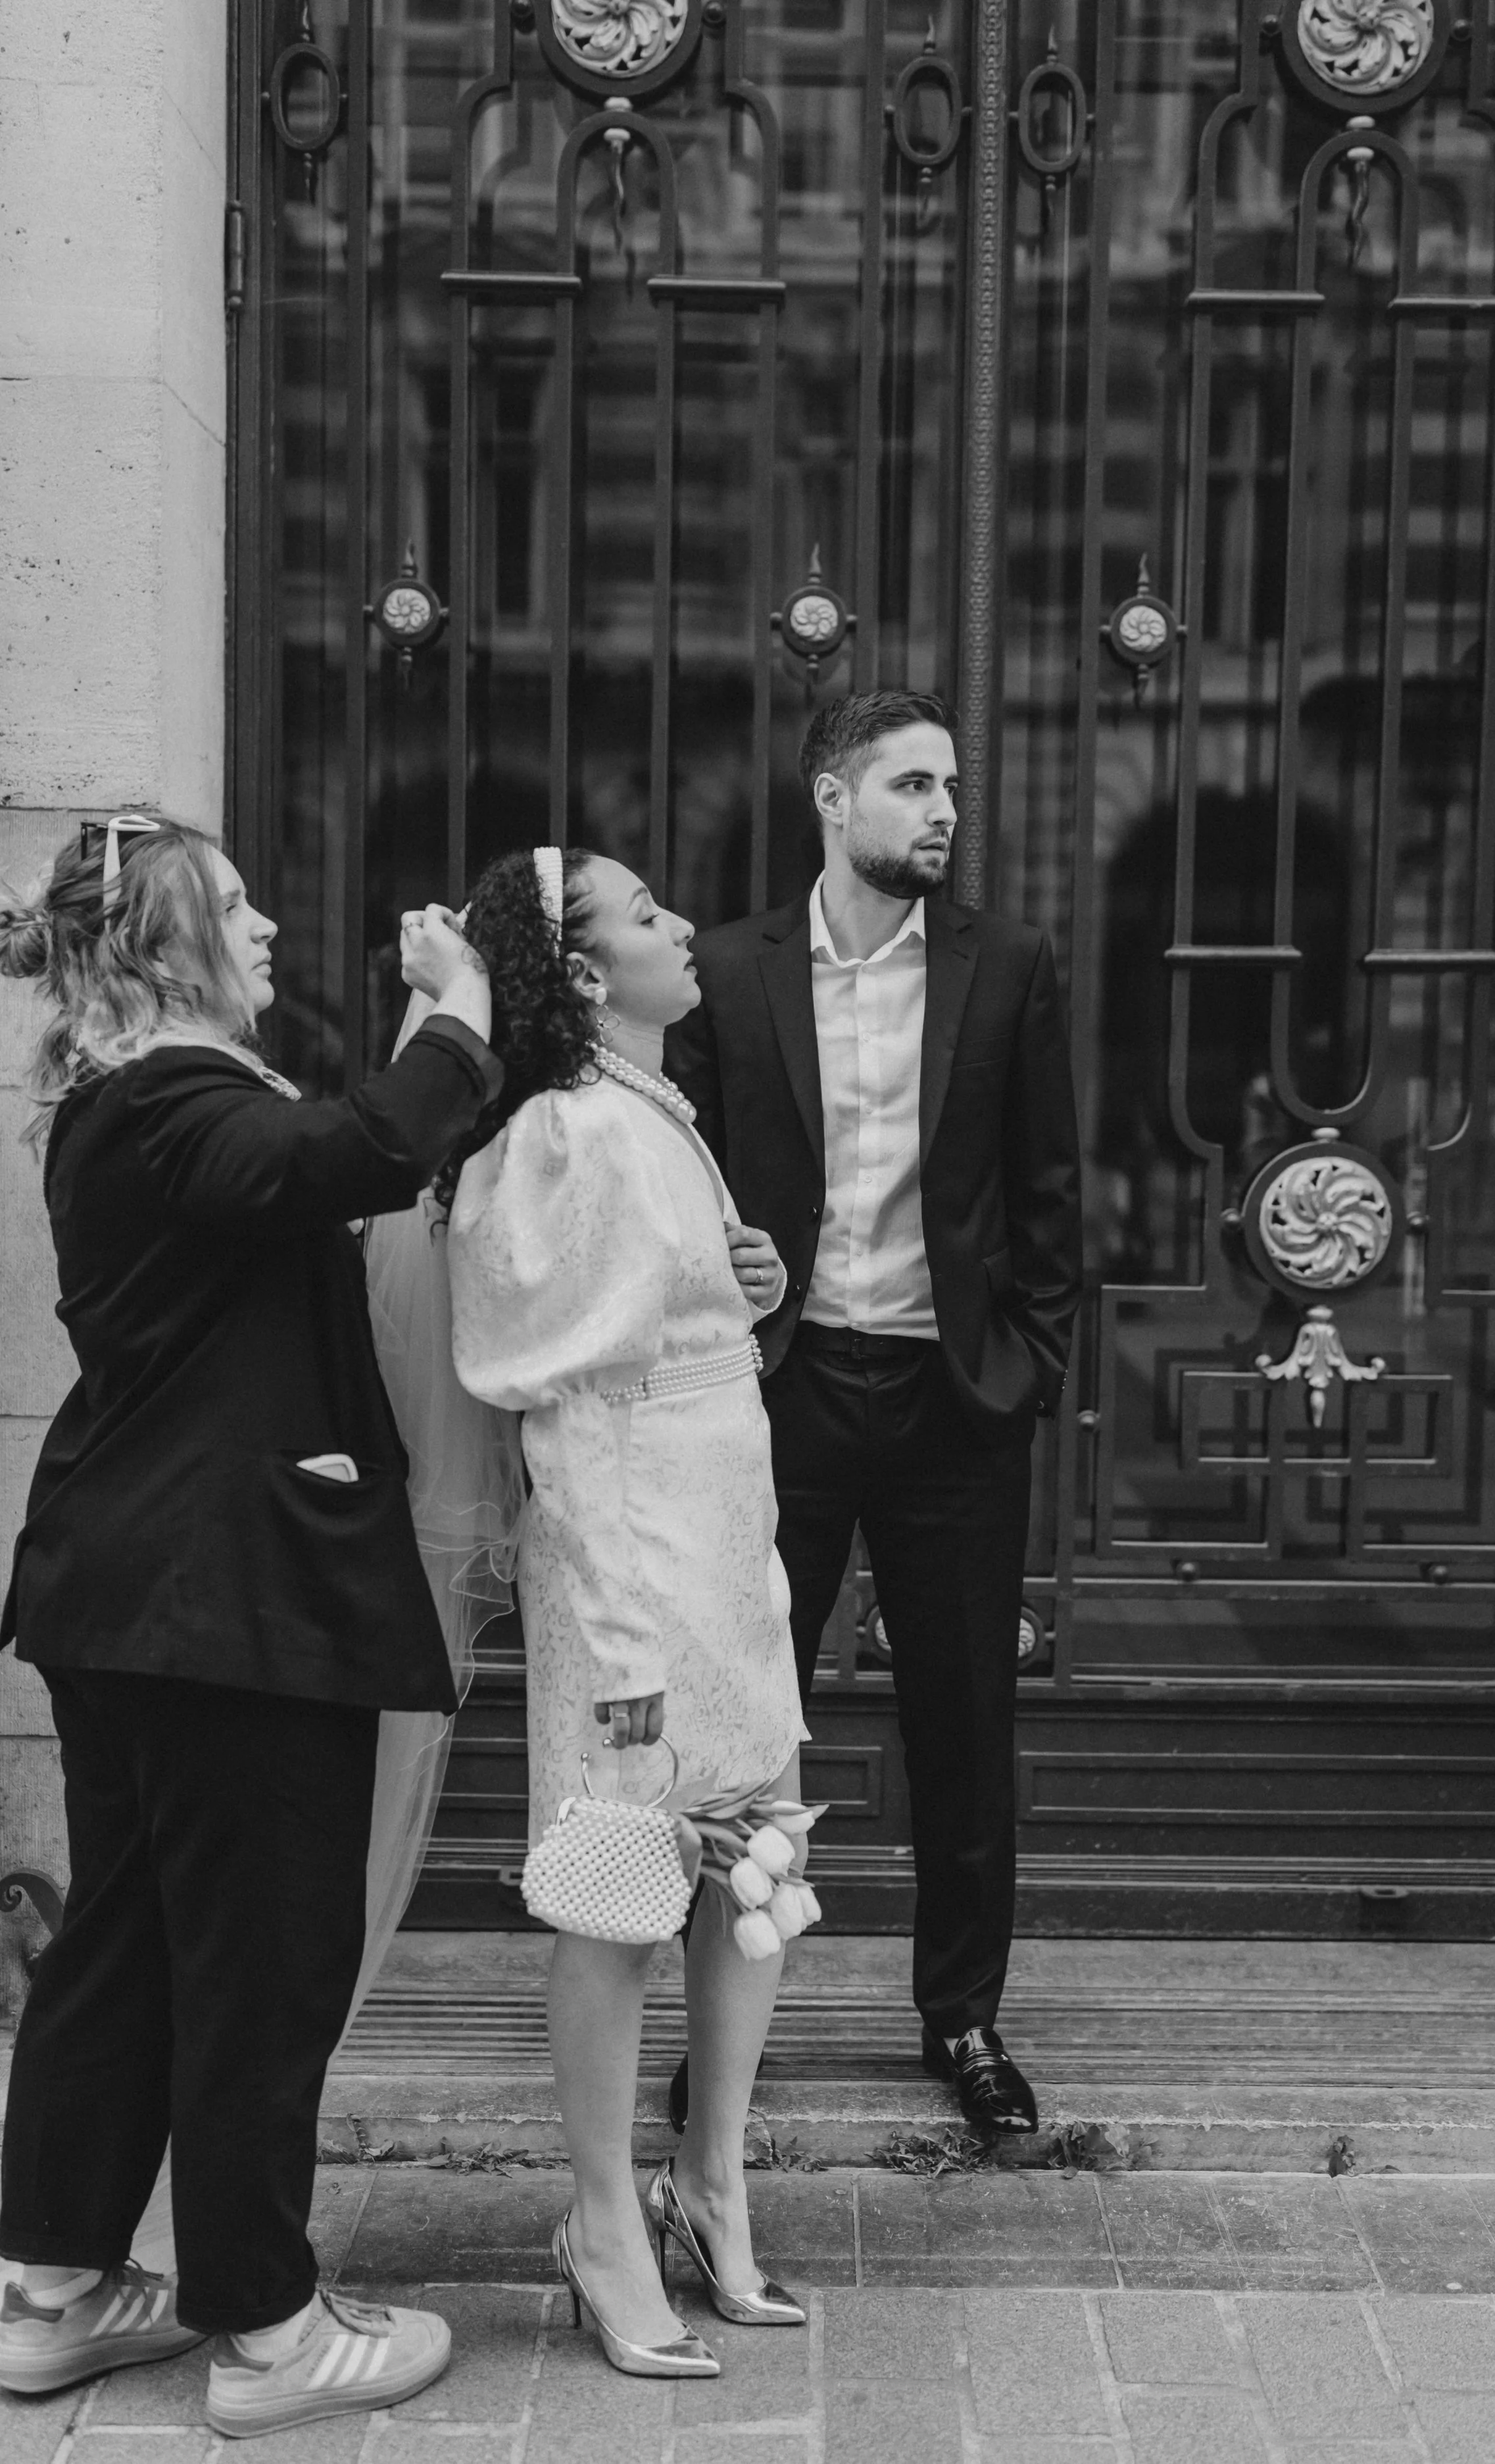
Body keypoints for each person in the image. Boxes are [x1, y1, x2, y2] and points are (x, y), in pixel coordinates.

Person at [0, 816, 501, 2438]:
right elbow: (344, 1159)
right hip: (224, 1603)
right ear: (161, 947)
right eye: (236, 907)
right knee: (259, 1961)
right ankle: (273, 2328)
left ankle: (55, 2287)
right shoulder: (166, 1101)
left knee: (130, 1943)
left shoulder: (130, 1102)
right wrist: (458, 1012)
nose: (271, 925)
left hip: (141, 1591)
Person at [666, 691, 1083, 2134]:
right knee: (738, 1723)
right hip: (776, 1397)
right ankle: (723, 2015)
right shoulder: (727, 973)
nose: (944, 810)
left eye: (950, 786)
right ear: (831, 801)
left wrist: (1022, 1369)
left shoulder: (1008, 965)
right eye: (911, 785)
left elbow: (1048, 1198)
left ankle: (962, 2019)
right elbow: (685, 1193)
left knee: (961, 1722)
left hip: (952, 1402)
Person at [443, 845, 809, 2381]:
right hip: (629, 1542)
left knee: (752, 1839)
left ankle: (709, 2180)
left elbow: (681, 1302)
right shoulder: (561, 1128)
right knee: (619, 1870)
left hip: (725, 1525)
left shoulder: (658, 1110)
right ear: (585, 978)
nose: (682, 928)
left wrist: (755, 1283)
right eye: (648, 913)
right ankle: (600, 2219)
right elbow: (527, 1339)